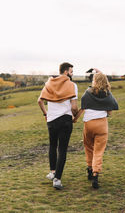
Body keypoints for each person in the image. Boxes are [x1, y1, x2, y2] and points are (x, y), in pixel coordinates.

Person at [73, 69, 119, 189]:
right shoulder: (107, 94)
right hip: (102, 125)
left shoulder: (87, 93)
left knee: (88, 147)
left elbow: (82, 108)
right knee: (99, 151)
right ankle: (95, 173)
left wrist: (74, 119)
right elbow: (110, 110)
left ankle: (89, 168)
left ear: (94, 81)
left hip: (89, 124)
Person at [37, 62, 78, 190]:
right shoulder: (72, 85)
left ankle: (53, 172)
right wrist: (75, 115)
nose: (72, 74)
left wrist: (46, 114)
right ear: (66, 72)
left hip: (51, 120)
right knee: (62, 149)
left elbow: (39, 101)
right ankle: (57, 179)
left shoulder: (48, 84)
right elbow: (74, 106)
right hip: (65, 119)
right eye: (71, 71)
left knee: (53, 146)